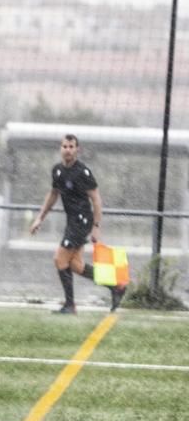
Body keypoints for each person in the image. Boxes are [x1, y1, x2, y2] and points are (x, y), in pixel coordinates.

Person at [29, 134, 126, 313]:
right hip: (72, 221)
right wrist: (39, 218)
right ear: (61, 149)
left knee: (59, 259)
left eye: (71, 147)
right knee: (76, 265)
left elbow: (96, 200)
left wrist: (96, 227)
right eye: (65, 146)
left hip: (82, 221)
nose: (68, 150)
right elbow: (53, 195)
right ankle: (116, 286)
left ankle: (70, 305)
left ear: (77, 149)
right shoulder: (57, 170)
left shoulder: (83, 172)